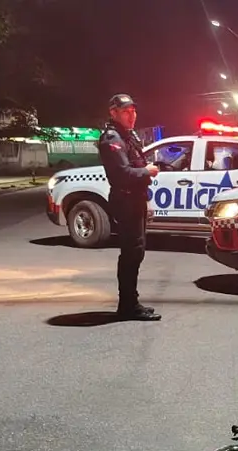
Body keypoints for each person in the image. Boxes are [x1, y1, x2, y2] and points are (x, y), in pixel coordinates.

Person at [97, 93, 161, 321]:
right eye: (125, 111)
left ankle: (131, 302)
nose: (131, 115)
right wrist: (147, 171)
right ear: (113, 113)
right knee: (131, 253)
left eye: (133, 111)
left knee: (137, 252)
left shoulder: (127, 135)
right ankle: (128, 306)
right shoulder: (111, 139)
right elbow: (121, 174)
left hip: (135, 199)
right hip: (125, 201)